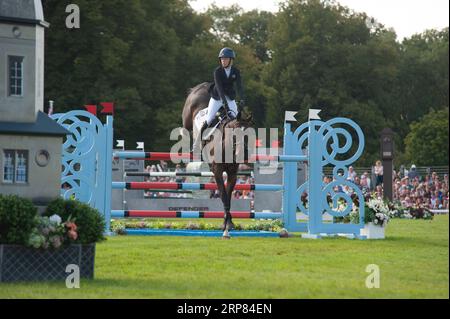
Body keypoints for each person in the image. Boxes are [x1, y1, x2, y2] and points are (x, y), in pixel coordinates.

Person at [199, 47, 246, 138]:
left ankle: (239, 144)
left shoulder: (236, 71)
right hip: (217, 98)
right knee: (209, 119)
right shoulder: (217, 71)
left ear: (231, 60)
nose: (223, 61)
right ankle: (197, 143)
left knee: (237, 120)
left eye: (225, 59)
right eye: (222, 59)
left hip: (229, 98)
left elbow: (239, 86)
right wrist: (224, 102)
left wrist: (242, 99)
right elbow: (219, 88)